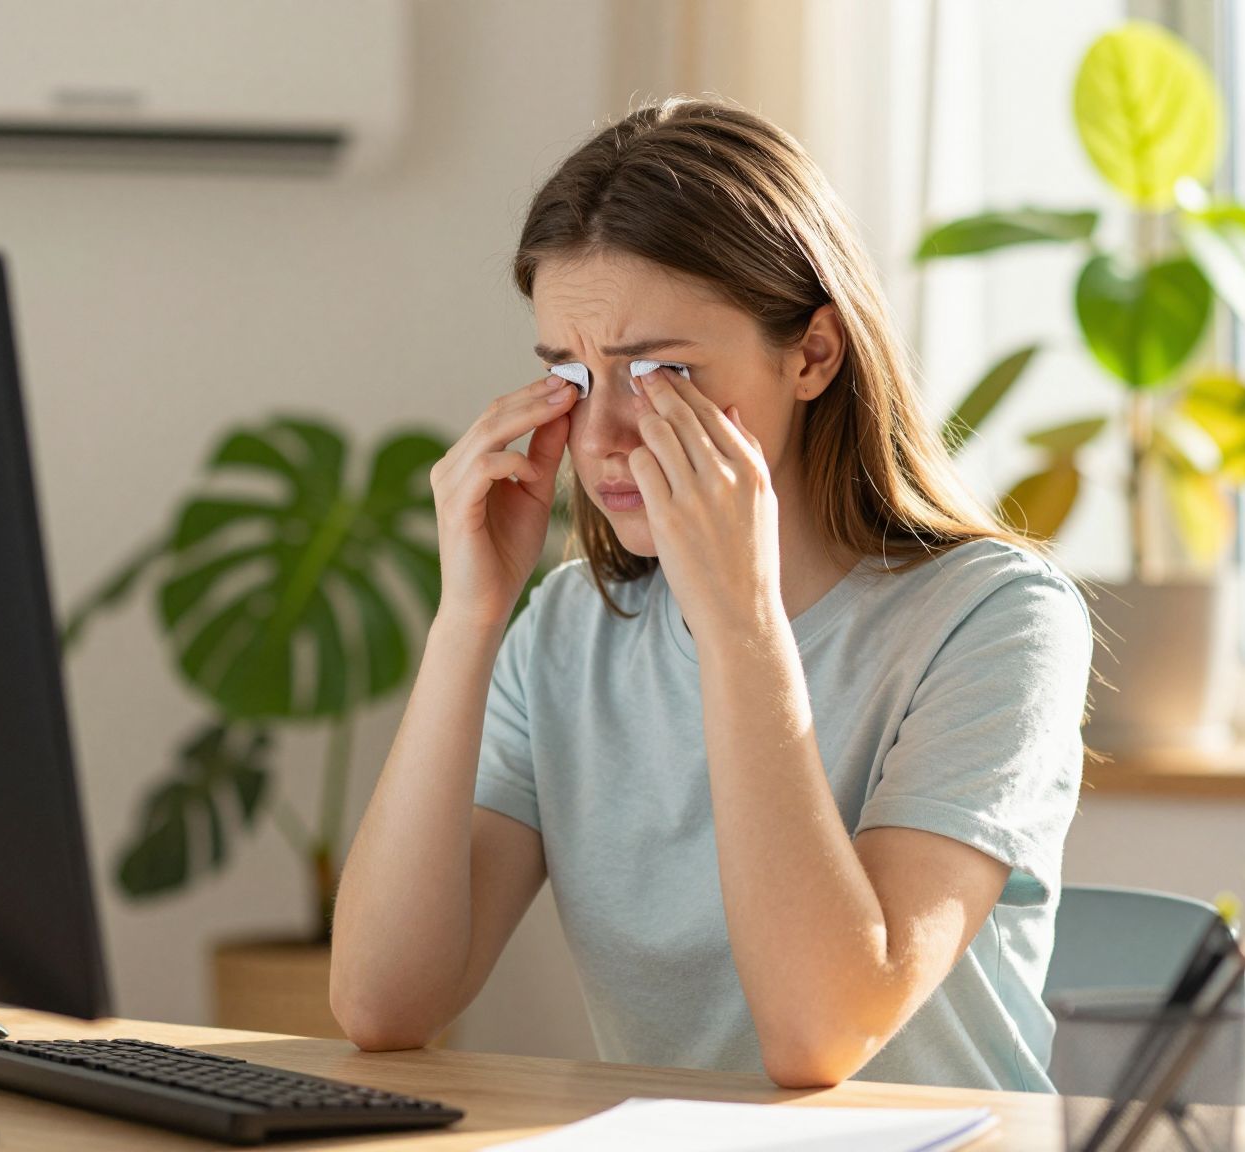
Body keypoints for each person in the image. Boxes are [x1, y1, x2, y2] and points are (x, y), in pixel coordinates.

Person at [329, 97, 1092, 1093]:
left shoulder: (995, 620)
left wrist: (739, 624)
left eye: (659, 372)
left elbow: (821, 1037)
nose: (599, 435)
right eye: (568, 371)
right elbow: (384, 1006)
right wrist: (466, 620)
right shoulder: (566, 630)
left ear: (812, 354)